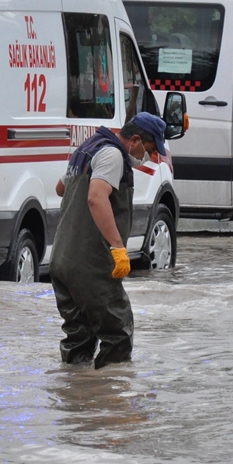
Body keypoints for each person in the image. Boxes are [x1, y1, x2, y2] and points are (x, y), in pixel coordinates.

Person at [50, 112, 166, 369]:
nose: (151, 157)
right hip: (90, 264)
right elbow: (96, 198)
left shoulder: (87, 148)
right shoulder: (113, 155)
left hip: (62, 261)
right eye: (149, 149)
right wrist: (117, 248)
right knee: (118, 335)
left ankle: (77, 398)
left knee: (79, 338)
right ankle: (112, 403)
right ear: (134, 140)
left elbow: (60, 189)